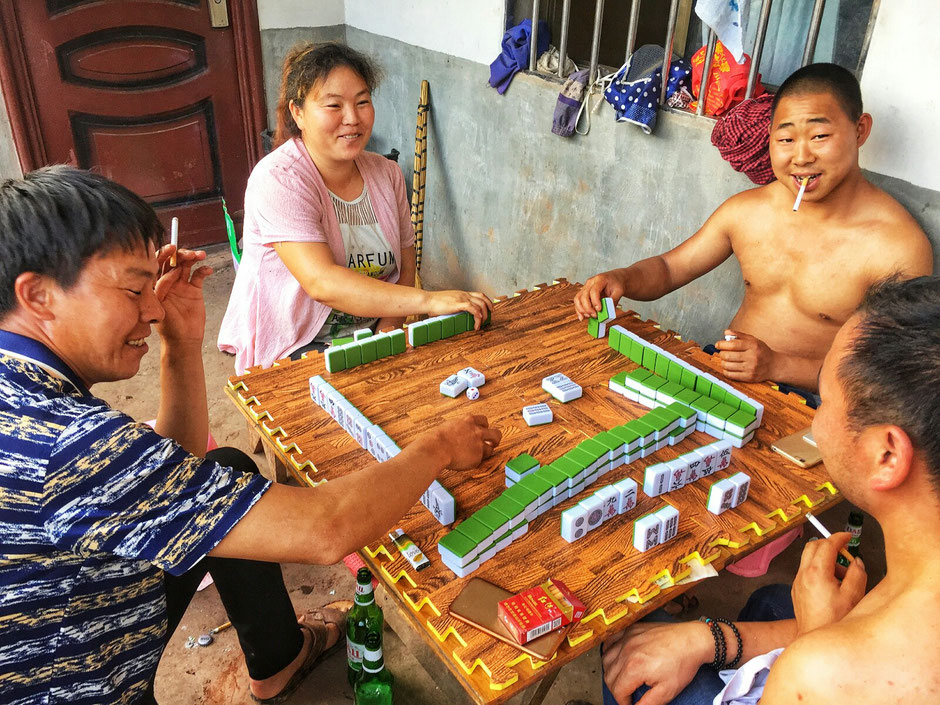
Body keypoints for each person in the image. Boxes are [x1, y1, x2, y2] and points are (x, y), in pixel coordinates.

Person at [0, 166, 502, 704]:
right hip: (72, 684)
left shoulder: (24, 387)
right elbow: (326, 530)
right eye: (131, 288)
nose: (151, 309)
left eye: (152, 287)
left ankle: (279, 659)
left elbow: (175, 470)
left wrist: (181, 343)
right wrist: (440, 446)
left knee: (226, 472)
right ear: (39, 296)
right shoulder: (68, 445)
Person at [601, 274, 940, 705]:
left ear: (886, 455)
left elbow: (831, 673)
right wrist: (711, 639)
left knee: (635, 665)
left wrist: (818, 638)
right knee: (774, 602)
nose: (813, 418)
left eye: (823, 399)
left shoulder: (822, 673)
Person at [574, 63, 932, 400]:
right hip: (724, 376)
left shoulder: (896, 246)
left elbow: (889, 372)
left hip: (818, 402)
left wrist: (778, 365)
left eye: (820, 135)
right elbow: (669, 269)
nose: (801, 156)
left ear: (860, 130)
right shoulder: (748, 211)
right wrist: (621, 279)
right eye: (786, 140)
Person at [219, 43, 492, 374]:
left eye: (362, 102)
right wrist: (430, 301)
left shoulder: (386, 173)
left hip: (374, 330)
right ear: (298, 112)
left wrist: (389, 326)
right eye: (333, 105)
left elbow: (406, 264)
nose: (352, 118)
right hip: (298, 346)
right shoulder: (279, 179)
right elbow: (321, 282)